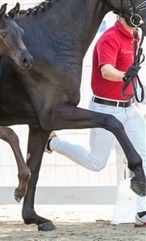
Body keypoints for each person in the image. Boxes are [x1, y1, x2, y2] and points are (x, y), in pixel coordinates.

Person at [45, 15, 146, 226]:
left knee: (144, 154)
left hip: (129, 108)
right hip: (105, 110)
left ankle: (142, 212)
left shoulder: (135, 36)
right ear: (120, 15)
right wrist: (126, 76)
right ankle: (53, 143)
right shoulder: (109, 38)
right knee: (96, 163)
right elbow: (106, 71)